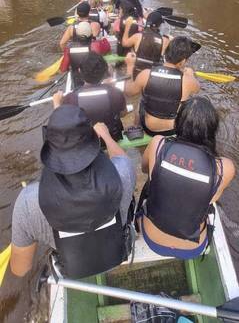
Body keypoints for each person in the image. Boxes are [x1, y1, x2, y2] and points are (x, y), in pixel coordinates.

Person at [10, 106, 136, 278]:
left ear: (49, 147)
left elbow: (20, 269)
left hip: (71, 270)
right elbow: (121, 159)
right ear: (93, 140)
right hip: (117, 255)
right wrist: (106, 136)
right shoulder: (123, 173)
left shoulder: (28, 202)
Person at [138, 96, 235, 259]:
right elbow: (210, 199)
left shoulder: (158, 144)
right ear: (212, 129)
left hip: (153, 238)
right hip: (192, 248)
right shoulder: (225, 167)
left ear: (178, 123)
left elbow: (145, 169)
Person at [124, 36, 200, 137]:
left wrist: (129, 67)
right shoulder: (188, 81)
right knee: (184, 101)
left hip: (148, 128)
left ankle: (137, 128)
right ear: (182, 62)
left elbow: (128, 92)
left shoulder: (146, 74)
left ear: (166, 53)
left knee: (141, 101)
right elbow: (197, 89)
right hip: (172, 130)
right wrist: (190, 73)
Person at [56, 51, 127, 141]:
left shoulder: (70, 98)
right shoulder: (115, 93)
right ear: (105, 71)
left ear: (79, 71)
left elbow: (63, 125)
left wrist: (57, 103)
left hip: (86, 144)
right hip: (112, 137)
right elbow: (123, 113)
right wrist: (111, 88)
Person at [122, 11, 171, 78]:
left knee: (131, 51)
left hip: (137, 73)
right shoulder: (165, 40)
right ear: (159, 25)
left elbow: (124, 43)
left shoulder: (138, 36)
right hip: (153, 75)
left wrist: (127, 27)